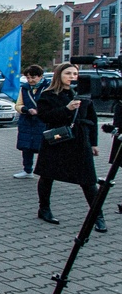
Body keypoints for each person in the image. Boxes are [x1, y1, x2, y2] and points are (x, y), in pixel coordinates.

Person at [34, 63, 106, 232]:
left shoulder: (83, 94)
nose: (72, 77)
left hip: (80, 141)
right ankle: (44, 209)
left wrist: (94, 143)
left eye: (75, 74)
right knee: (47, 176)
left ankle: (97, 216)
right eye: (68, 73)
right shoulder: (48, 95)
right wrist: (66, 109)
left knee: (89, 180)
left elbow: (92, 119)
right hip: (57, 140)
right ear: (59, 75)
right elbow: (44, 116)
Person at [14, 65, 49, 179]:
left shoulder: (48, 88)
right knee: (26, 147)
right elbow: (18, 105)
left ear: (40, 76)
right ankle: (27, 170)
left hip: (42, 121)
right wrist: (26, 110)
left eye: (33, 77)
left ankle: (45, 171)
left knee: (43, 148)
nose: (30, 80)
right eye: (28, 78)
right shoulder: (24, 88)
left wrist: (40, 111)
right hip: (27, 122)